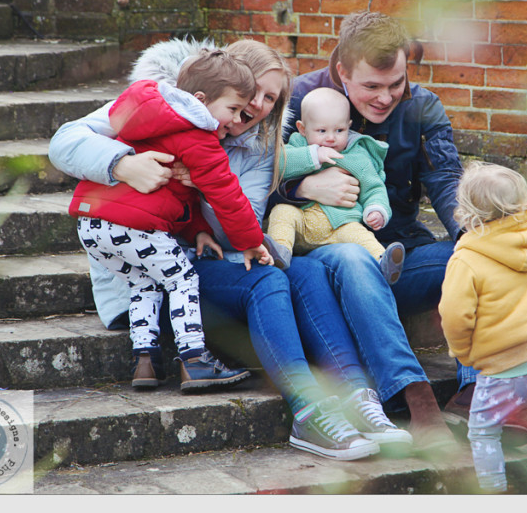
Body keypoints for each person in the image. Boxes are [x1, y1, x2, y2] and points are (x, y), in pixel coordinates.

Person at [50, 37, 418, 461]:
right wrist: (122, 164)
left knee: (308, 271)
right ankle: (309, 410)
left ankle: (354, 395)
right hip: (151, 274)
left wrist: (199, 185)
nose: (258, 105)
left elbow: (236, 226)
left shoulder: (258, 144)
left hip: (211, 254)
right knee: (265, 278)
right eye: (253, 91)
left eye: (270, 98)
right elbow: (65, 141)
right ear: (231, 79)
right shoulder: (163, 104)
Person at [281, 10, 527, 444]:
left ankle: (476, 390)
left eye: (395, 83)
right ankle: (416, 401)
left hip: (402, 256)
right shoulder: (299, 100)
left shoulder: (422, 106)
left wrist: (476, 238)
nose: (385, 98)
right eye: (371, 87)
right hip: (330, 256)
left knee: (472, 252)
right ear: (342, 69)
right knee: (356, 259)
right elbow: (254, 180)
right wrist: (302, 184)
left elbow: (446, 180)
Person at [70, 49, 271, 392]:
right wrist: (251, 241)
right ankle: (195, 360)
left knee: (144, 283)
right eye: (232, 109)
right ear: (200, 100)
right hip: (133, 226)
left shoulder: (153, 119)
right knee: (182, 279)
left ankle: (145, 362)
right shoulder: (199, 134)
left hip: (92, 223)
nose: (237, 120)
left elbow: (173, 196)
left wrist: (200, 231)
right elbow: (226, 194)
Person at [437, 162, 527, 492]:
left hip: (503, 366)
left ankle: (494, 491)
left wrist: (463, 353)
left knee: (483, 430)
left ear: (468, 212)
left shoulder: (466, 258)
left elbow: (456, 315)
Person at [266, 86, 406, 284]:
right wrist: (314, 155)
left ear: (349, 127)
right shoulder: (298, 145)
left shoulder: (357, 157)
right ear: (302, 129)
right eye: (322, 131)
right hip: (302, 221)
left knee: (361, 235)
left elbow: (374, 188)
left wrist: (377, 209)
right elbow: (279, 165)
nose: (331, 138)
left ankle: (383, 262)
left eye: (339, 130)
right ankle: (280, 252)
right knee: (282, 213)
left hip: (341, 225)